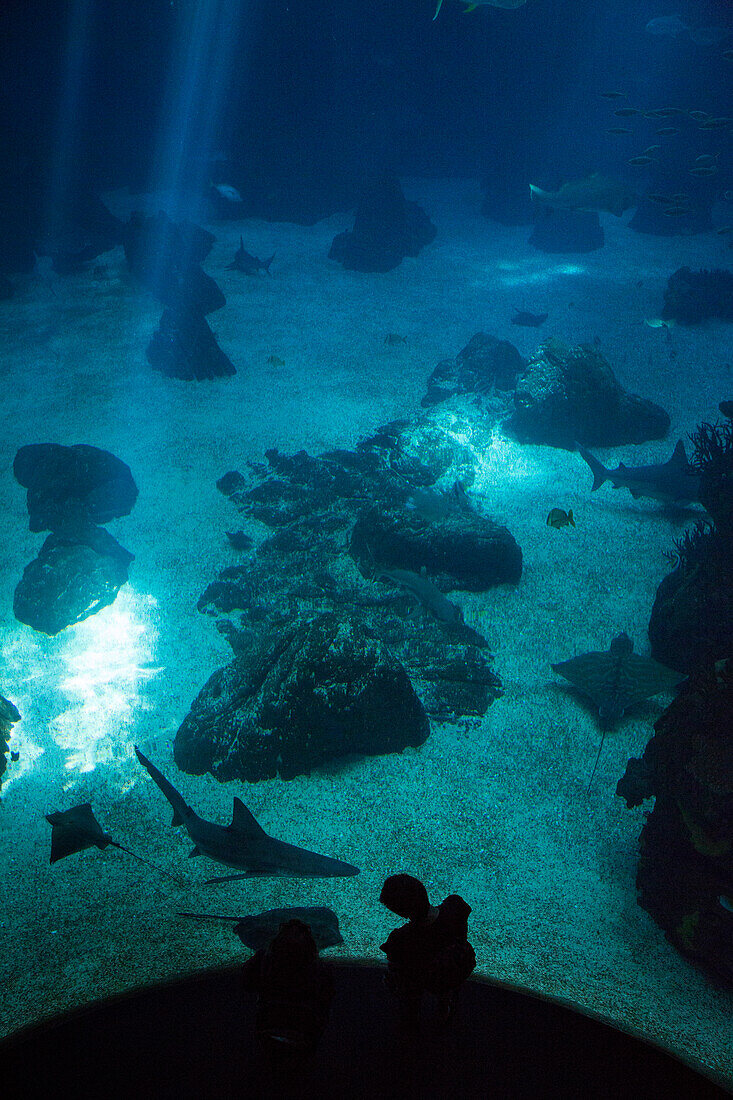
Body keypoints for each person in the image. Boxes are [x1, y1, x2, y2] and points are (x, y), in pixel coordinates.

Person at [379, 873, 476, 1029]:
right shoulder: (455, 905)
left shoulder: (401, 938)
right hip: (455, 967)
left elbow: (396, 963)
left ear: (400, 912)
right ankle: (445, 1007)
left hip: (424, 978)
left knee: (404, 982)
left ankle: (411, 1019)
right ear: (423, 890)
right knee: (446, 985)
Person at [240, 918, 334, 1058]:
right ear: (311, 945)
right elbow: (327, 1000)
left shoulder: (264, 960)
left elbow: (246, 983)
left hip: (268, 1029)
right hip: (304, 1034)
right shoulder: (319, 968)